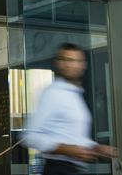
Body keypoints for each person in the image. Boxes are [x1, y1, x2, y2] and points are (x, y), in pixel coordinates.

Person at [22, 43, 116, 175]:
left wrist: (96, 148)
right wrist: (67, 149)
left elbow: (73, 137)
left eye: (76, 60)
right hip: (57, 169)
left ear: (83, 65)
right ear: (58, 64)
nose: (70, 65)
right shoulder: (53, 93)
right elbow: (30, 136)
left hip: (72, 169)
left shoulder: (74, 94)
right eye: (65, 60)